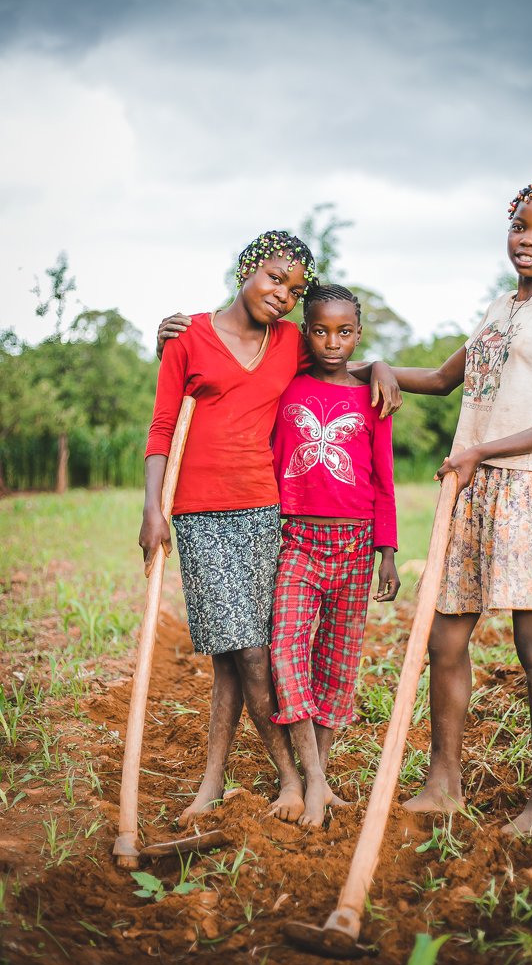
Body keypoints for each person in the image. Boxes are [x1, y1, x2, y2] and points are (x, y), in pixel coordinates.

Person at [145, 232, 400, 827]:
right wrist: (153, 507)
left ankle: (239, 779)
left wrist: (382, 364)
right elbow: (162, 427)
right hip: (199, 514)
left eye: (293, 289)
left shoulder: (288, 341)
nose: (282, 296)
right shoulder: (188, 338)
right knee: (240, 653)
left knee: (247, 654)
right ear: (246, 270)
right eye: (273, 279)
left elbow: (339, 364)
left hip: (265, 511)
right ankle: (285, 776)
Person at [389, 177, 532, 835]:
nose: (528, 240)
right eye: (520, 226)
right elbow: (446, 381)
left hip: (531, 489)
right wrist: (372, 369)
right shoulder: (498, 312)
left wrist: (487, 451)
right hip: (471, 488)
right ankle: (443, 783)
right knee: (444, 641)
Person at [269, 284, 400, 827]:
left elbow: (384, 480)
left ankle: (317, 772)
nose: (331, 341)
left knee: (338, 664)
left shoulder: (373, 398)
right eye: (320, 330)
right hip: (297, 539)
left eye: (344, 332)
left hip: (355, 544)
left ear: (358, 335)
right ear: (305, 331)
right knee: (286, 648)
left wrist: (387, 551)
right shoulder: (287, 385)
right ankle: (313, 780)